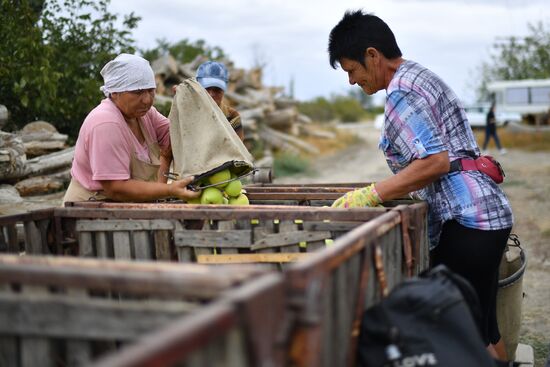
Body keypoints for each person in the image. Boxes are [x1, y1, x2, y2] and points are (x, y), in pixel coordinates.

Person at [328, 10, 513, 361]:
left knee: (457, 330)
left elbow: (435, 162)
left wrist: (372, 194)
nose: (352, 81)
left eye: (352, 70)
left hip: (467, 222)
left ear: (372, 55)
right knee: (483, 328)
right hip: (487, 216)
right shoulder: (418, 76)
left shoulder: (402, 93)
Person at [63, 53, 201, 203]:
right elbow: (116, 188)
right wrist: (169, 190)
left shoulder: (146, 115)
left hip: (125, 208)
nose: (147, 100)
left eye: (150, 90)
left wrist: (188, 104)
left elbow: (177, 139)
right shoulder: (105, 124)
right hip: (90, 210)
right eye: (137, 92)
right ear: (115, 92)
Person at [196, 61, 245, 141]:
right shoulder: (186, 110)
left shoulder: (232, 117)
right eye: (206, 88)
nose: (211, 94)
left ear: (224, 90)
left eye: (217, 90)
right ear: (197, 86)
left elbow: (236, 151)